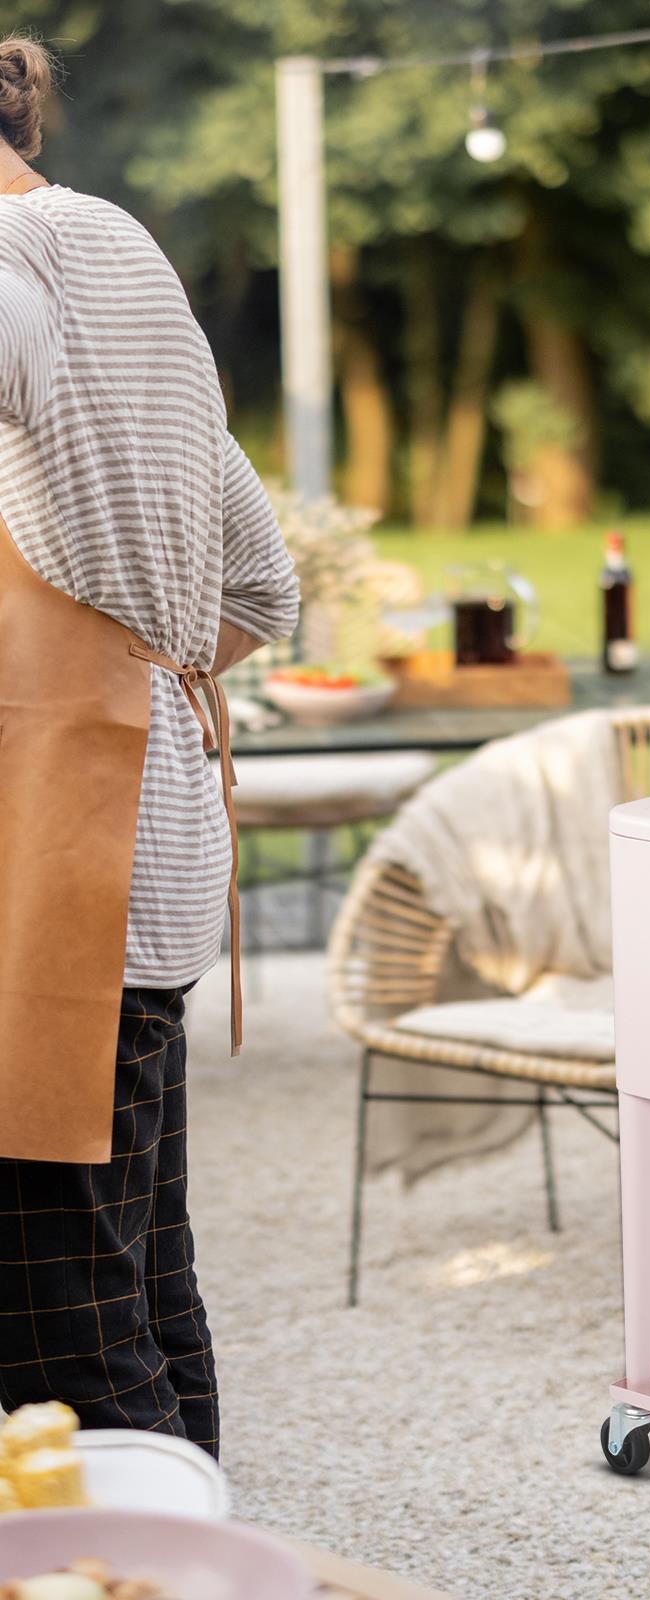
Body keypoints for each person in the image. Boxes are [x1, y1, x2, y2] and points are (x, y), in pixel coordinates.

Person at [0, 37, 299, 1457]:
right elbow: (261, 586)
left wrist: (66, 703)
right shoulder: (120, 257)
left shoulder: (22, 256)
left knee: (53, 1331)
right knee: (136, 1284)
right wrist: (132, 677)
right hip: (154, 837)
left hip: (62, 864)